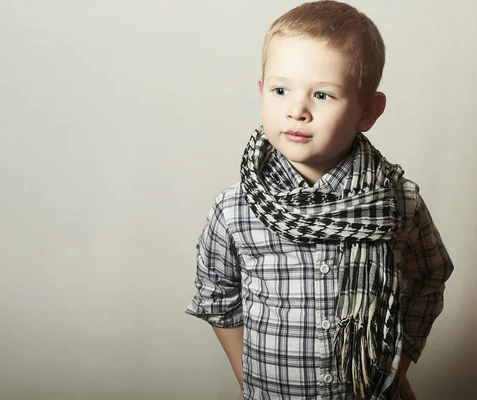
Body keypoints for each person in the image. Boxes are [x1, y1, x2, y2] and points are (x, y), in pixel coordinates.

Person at [185, 1, 454, 399]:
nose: (297, 110)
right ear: (262, 92)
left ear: (367, 111)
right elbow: (217, 296)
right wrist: (248, 377)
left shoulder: (399, 203)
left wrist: (397, 367)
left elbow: (429, 277)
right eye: (280, 90)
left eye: (323, 95)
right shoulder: (235, 209)